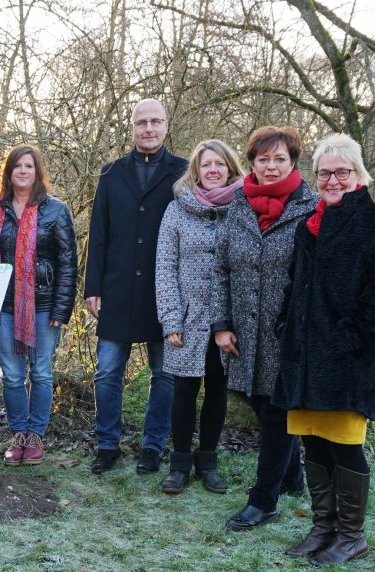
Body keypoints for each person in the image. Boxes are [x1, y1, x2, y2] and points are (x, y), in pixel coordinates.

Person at [273, 133, 375, 565]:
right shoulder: (307, 225)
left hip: (348, 357)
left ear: (358, 174)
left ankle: (352, 538)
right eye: (325, 172)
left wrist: (352, 336)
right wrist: (285, 326)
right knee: (313, 442)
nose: (333, 180)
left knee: (344, 444)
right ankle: (323, 528)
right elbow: (295, 284)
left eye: (341, 171)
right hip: (303, 355)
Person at [211, 126, 317, 530]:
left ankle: (263, 501)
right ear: (251, 162)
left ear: (293, 163)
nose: (271, 167)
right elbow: (220, 269)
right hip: (240, 332)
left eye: (280, 160)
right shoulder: (239, 206)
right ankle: (292, 476)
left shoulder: (310, 207)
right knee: (255, 401)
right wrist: (221, 325)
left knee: (276, 413)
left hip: (285, 334)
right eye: (263, 159)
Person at [84, 98, 188, 475]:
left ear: (165, 125)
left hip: (166, 290)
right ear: (131, 127)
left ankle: (152, 447)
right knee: (108, 371)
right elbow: (98, 234)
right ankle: (107, 445)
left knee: (164, 374)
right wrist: (92, 286)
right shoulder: (111, 174)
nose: (148, 128)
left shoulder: (184, 171)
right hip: (117, 287)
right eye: (141, 122)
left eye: (155, 121)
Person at [155, 140, 244, 494]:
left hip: (227, 321)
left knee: (218, 391)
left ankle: (208, 463)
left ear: (230, 169)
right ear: (196, 170)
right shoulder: (176, 211)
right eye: (206, 164)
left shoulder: (243, 209)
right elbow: (165, 267)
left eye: (220, 164)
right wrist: (171, 319)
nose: (213, 170)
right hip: (187, 319)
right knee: (184, 391)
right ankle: (179, 464)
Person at [0, 145, 77, 466]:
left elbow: (68, 264)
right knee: (12, 375)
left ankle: (36, 435)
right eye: (17, 166)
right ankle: (19, 434)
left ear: (37, 172)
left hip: (43, 305)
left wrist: (60, 309)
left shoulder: (56, 211)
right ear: (9, 172)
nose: (23, 171)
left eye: (29, 166)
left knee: (40, 373)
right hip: (4, 307)